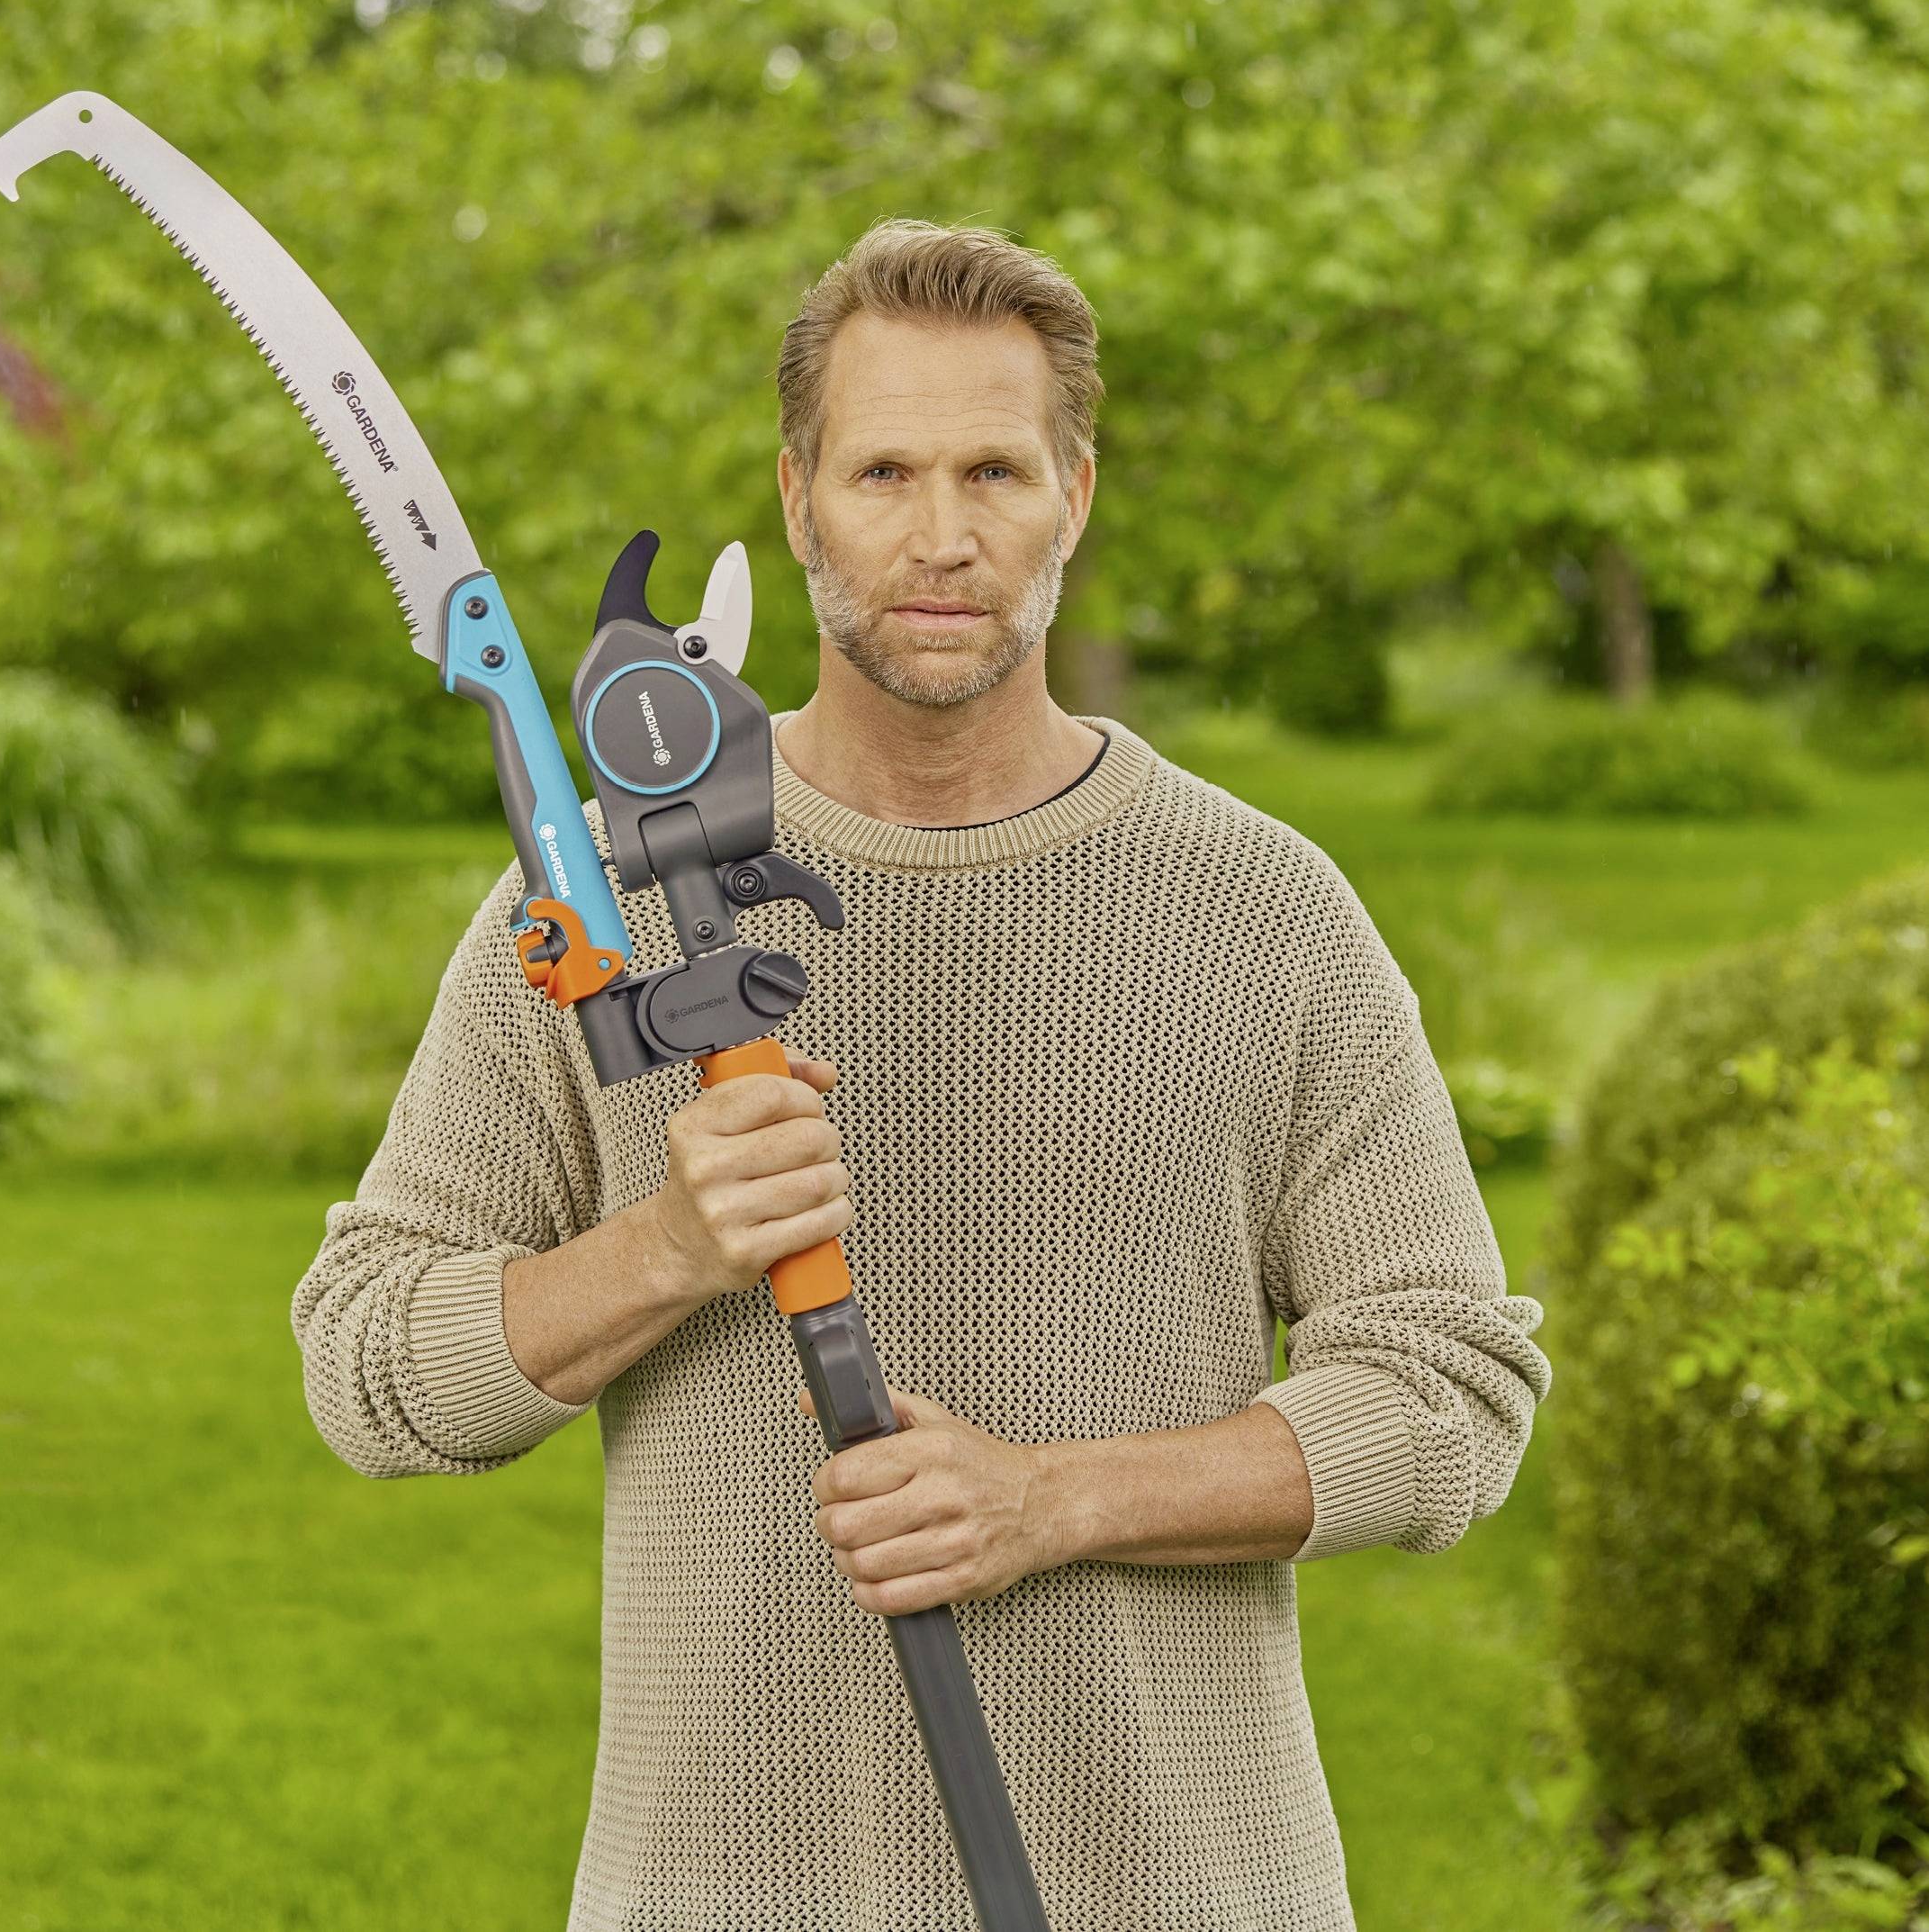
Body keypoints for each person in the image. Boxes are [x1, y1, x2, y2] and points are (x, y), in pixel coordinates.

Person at [290, 219, 1553, 1931]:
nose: (944, 538)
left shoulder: (1261, 914)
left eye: (994, 471)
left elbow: (1448, 1396)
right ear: (799, 498)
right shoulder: (591, 902)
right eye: (884, 471)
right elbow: (368, 1366)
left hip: (1179, 1889)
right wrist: (669, 1244)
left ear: (1075, 497)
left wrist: (1053, 1498)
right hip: (716, 1894)